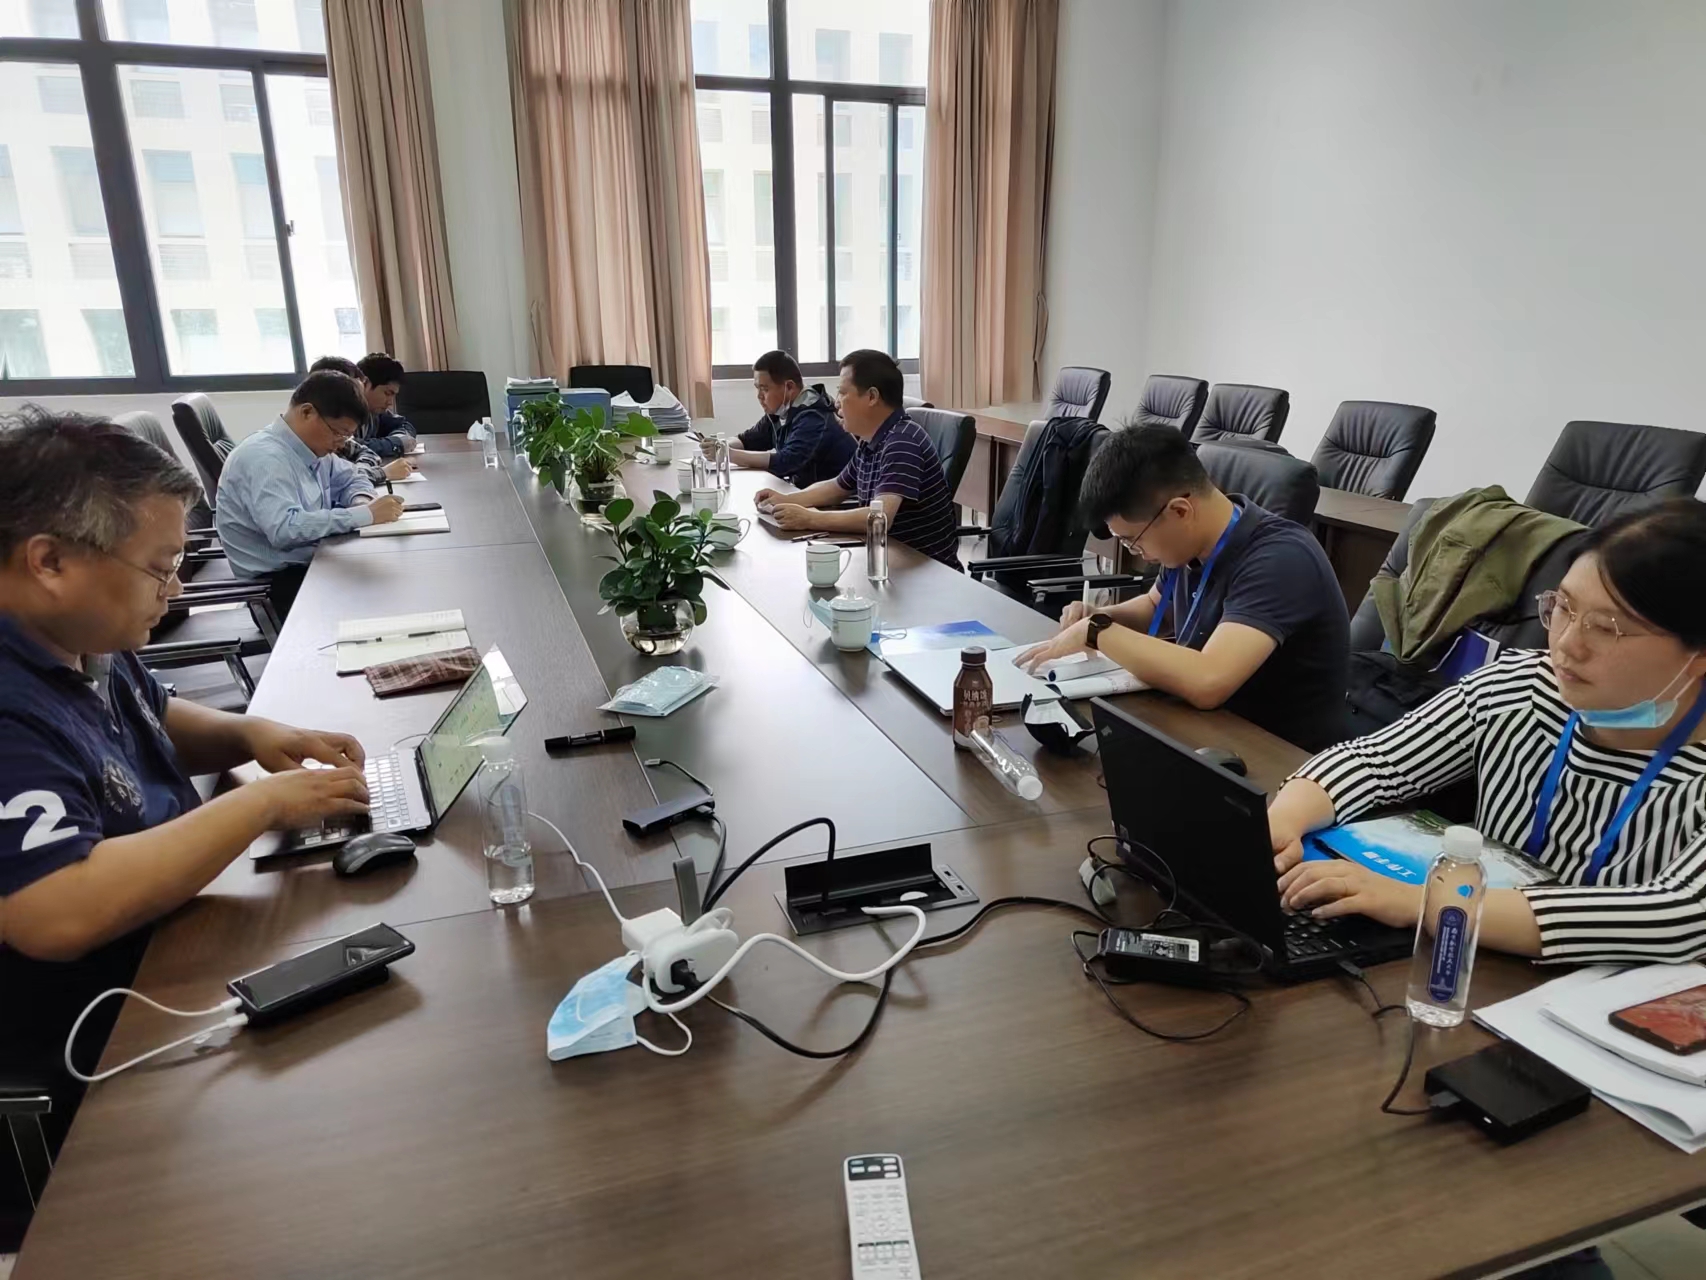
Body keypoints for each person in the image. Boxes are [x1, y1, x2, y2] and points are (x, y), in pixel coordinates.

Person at [0, 409, 373, 1246]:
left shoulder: (74, 635)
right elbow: (54, 913)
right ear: (49, 561)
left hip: (172, 950)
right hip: (95, 1038)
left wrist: (251, 735)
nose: (174, 591)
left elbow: (151, 712)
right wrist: (261, 803)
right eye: (160, 569)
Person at [1272, 498, 1706, 967]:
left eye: (1605, 628)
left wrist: (1421, 902)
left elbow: (1675, 915)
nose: (1566, 644)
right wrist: (1284, 821)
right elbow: (1377, 761)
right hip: (1472, 966)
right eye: (1563, 607)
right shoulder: (1522, 686)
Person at [1014, 424, 1350, 751]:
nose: (1137, 552)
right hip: (1205, 732)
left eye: (1133, 541)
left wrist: (1098, 632)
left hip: (1278, 757)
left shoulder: (1280, 559)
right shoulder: (1192, 541)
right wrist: (1100, 615)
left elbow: (1209, 680)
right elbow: (1156, 606)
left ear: (1179, 511)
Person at [215, 370, 405, 617]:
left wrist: (361, 501)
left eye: (347, 436)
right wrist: (364, 515)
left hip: (312, 562)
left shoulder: (312, 450)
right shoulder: (265, 458)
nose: (341, 443)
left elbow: (352, 476)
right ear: (307, 412)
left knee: (393, 578)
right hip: (277, 587)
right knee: (387, 599)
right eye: (338, 432)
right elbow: (285, 529)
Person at [756, 349, 961, 570]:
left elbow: (880, 516)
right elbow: (837, 487)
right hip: (887, 558)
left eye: (843, 393)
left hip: (926, 570)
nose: (837, 403)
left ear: (872, 397)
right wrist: (786, 500)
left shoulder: (903, 441)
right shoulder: (872, 440)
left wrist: (809, 518)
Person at [707, 349, 854, 487]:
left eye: (765, 389)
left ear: (789, 387)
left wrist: (728, 454)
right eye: (757, 388)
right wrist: (719, 445)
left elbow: (786, 462)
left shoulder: (815, 415)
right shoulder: (779, 412)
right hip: (804, 492)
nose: (759, 396)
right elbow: (748, 440)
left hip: (835, 499)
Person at [310, 355, 417, 487]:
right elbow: (337, 482)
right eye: (387, 393)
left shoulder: (372, 413)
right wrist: (383, 472)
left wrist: (363, 470)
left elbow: (366, 452)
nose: (390, 402)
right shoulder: (323, 432)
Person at [354, 351, 419, 459]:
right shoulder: (343, 412)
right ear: (365, 384)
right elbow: (348, 448)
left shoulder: (374, 412)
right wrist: (396, 443)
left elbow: (404, 425)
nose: (390, 402)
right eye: (387, 393)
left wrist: (399, 438)